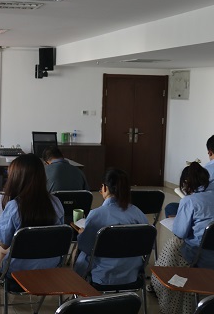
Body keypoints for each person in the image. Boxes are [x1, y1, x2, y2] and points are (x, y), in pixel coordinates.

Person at [0, 154, 65, 300]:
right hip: (52, 265)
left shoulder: (15, 206)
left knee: (4, 250)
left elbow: (4, 243)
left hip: (19, 269)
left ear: (17, 178)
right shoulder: (56, 202)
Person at [152, 162, 214, 314]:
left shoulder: (190, 201)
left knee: (173, 245)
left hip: (200, 257)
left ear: (186, 183)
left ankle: (166, 294)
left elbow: (180, 233)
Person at [73, 168, 148, 285]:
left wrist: (82, 234)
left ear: (104, 188)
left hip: (102, 275)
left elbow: (85, 246)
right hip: (132, 274)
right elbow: (148, 244)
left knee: (80, 251)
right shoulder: (137, 213)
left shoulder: (96, 214)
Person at [164, 135, 214, 218]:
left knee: (171, 207)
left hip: (207, 210)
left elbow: (195, 194)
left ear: (210, 152)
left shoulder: (206, 171)